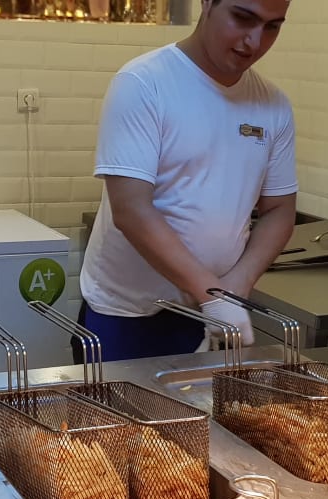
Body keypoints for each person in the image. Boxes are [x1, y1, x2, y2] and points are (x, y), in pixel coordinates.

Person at [77, 0, 298, 362]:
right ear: (206, 3)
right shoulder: (144, 83)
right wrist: (212, 294)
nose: (254, 41)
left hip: (204, 311)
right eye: (243, 18)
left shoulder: (273, 105)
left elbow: (279, 210)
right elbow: (131, 210)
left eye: (272, 26)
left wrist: (235, 288)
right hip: (127, 314)